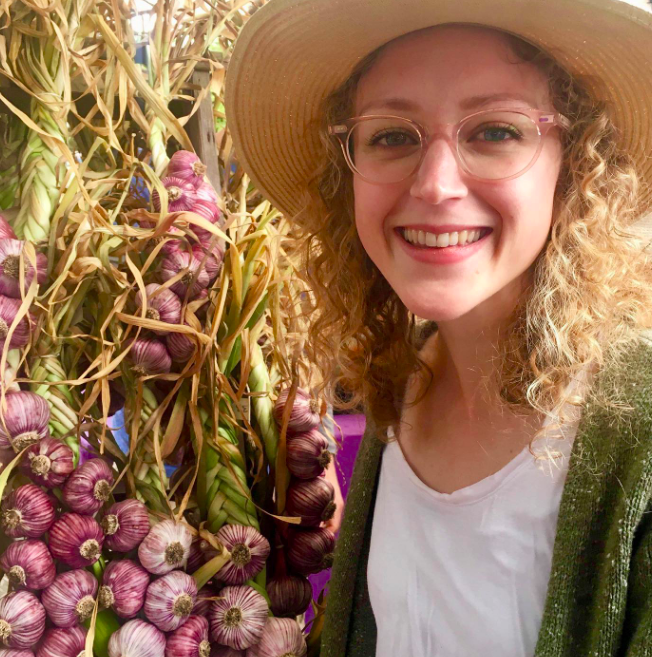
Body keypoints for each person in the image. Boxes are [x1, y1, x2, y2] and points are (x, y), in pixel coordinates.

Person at [225, 0, 652, 654]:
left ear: (575, 161)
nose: (436, 184)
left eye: (496, 131)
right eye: (392, 135)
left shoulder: (639, 438)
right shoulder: (407, 384)